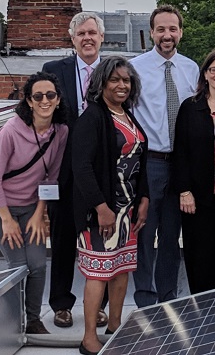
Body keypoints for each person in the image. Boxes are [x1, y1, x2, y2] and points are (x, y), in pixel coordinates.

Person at [0, 72, 69, 335]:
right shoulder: (10, 130)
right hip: (0, 206)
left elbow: (51, 177)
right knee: (18, 266)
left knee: (38, 264)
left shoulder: (60, 132)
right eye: (38, 96)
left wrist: (40, 213)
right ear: (29, 102)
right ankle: (14, 321)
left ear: (58, 99)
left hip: (31, 206)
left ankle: (33, 319)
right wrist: (7, 220)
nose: (45, 100)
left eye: (50, 95)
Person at [72, 56, 150, 355]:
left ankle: (115, 326)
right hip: (100, 213)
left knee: (121, 268)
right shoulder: (93, 117)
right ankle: (89, 337)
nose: (121, 85)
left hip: (127, 211)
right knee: (99, 272)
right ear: (101, 83)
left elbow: (141, 159)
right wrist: (101, 208)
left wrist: (143, 198)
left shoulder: (127, 114)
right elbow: (81, 167)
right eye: (115, 79)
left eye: (126, 80)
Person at [42, 12, 108, 329]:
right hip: (64, 172)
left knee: (101, 240)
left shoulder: (115, 71)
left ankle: (99, 306)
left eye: (92, 33)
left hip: (102, 171)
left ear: (101, 38)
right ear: (72, 39)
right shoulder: (54, 71)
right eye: (81, 33)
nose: (87, 38)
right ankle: (61, 304)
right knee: (64, 239)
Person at [130, 5, 199, 307]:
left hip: (181, 165)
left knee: (172, 237)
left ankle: (168, 299)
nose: (167, 35)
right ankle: (145, 300)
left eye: (172, 29)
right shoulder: (134, 69)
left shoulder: (192, 69)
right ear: (152, 32)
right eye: (161, 29)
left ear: (181, 32)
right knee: (144, 235)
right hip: (149, 163)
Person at [173, 49, 215, 294]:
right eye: (214, 69)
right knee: (201, 259)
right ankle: (205, 319)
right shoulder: (191, 108)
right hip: (199, 198)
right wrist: (184, 190)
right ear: (205, 74)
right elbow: (180, 152)